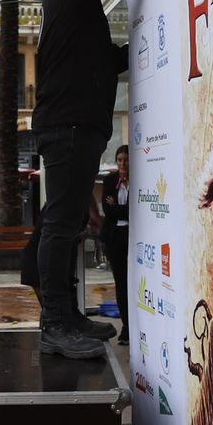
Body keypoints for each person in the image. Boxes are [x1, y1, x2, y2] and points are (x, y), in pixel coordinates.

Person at [33, 0, 159, 358]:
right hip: (68, 125)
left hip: (78, 126)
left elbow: (111, 61)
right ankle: (54, 323)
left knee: (68, 224)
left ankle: (68, 317)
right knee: (60, 223)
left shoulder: (79, 20)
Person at [99, 146, 131, 344]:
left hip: (134, 235)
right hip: (114, 237)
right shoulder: (110, 180)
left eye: (126, 159)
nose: (122, 163)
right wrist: (122, 210)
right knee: (121, 282)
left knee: (133, 282)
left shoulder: (139, 180)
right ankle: (126, 326)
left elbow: (136, 208)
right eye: (119, 160)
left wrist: (117, 208)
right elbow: (108, 211)